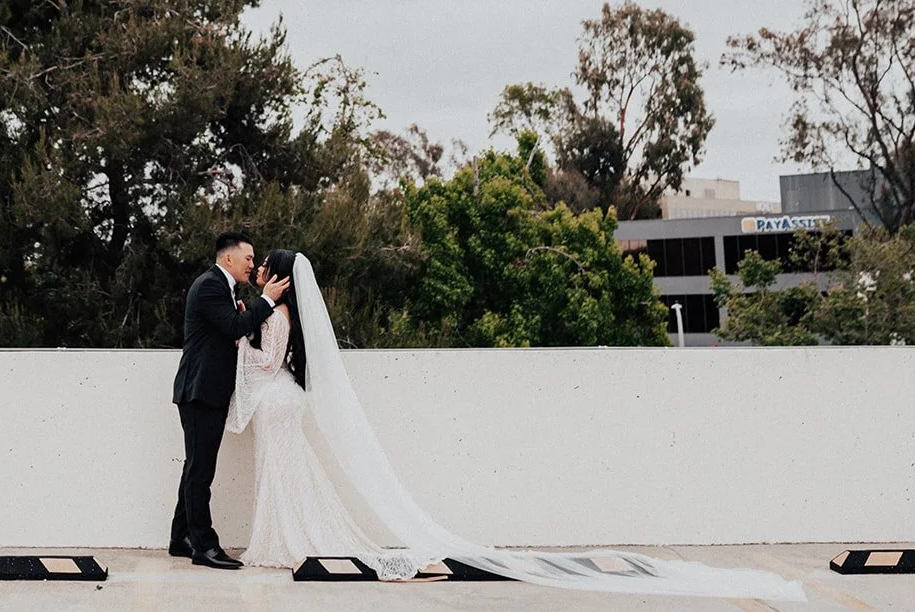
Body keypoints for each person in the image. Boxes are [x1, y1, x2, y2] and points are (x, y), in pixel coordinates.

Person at [227, 249, 806, 601]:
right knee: (290, 477)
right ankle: (287, 537)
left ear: (278, 276)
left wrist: (241, 345)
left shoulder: (274, 314)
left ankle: (286, 539)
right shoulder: (286, 313)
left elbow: (266, 361)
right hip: (284, 406)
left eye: (265, 271)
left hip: (276, 401)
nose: (260, 277)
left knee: (287, 477)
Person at [170, 230, 291, 569]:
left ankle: (180, 537)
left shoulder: (223, 287)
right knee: (200, 469)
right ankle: (204, 546)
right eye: (249, 258)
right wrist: (265, 300)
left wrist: (244, 314)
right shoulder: (210, 285)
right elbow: (234, 328)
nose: (253, 264)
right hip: (199, 390)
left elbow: (233, 327)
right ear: (229, 258)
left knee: (196, 465)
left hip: (207, 391)